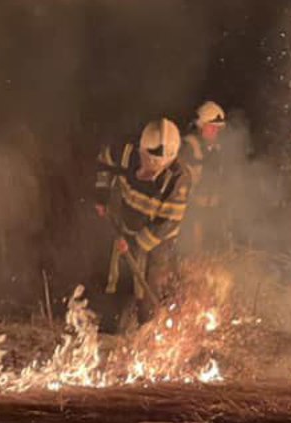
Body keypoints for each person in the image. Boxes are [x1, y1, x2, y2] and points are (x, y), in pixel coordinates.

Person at [94, 117, 190, 330]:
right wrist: (102, 194)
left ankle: (148, 332)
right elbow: (104, 162)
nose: (150, 171)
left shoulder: (179, 179)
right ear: (142, 150)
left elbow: (167, 222)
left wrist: (136, 245)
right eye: (148, 161)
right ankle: (110, 327)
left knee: (150, 284)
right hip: (128, 223)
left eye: (157, 167)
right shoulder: (125, 153)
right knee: (117, 277)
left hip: (158, 239)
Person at [182, 100, 227, 253]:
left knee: (212, 255)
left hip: (211, 210)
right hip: (191, 211)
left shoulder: (216, 148)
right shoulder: (189, 146)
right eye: (212, 127)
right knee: (192, 253)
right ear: (201, 125)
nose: (216, 132)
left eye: (218, 128)